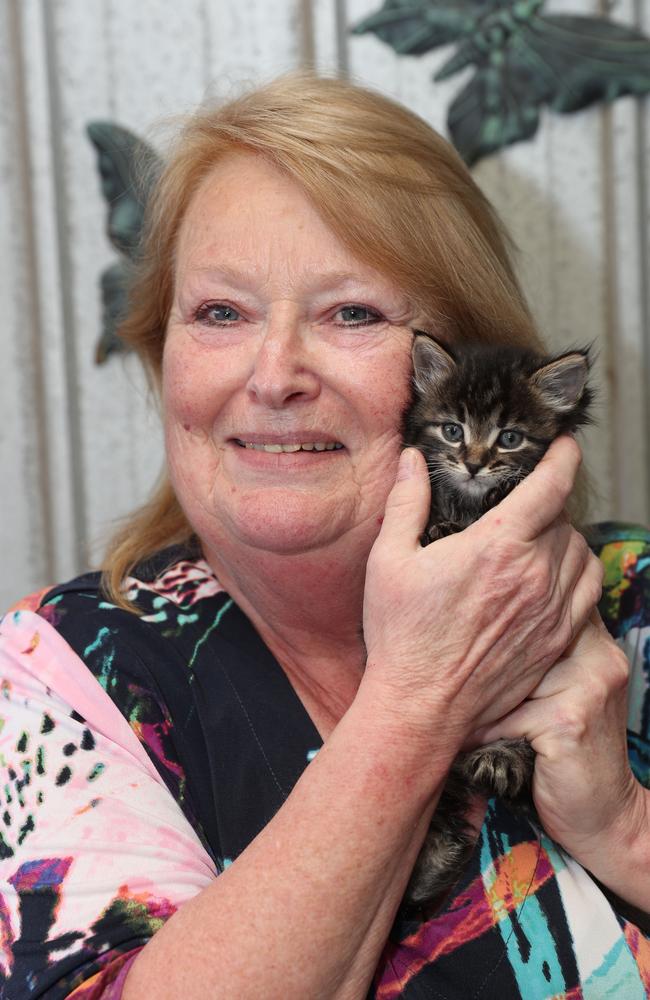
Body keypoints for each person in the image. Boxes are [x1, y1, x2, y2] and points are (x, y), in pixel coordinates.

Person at [1, 73, 649, 1000]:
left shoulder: (632, 596)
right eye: (221, 312)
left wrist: (624, 825)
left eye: (353, 313)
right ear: (163, 355)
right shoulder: (60, 679)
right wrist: (417, 700)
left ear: (469, 377)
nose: (274, 377)